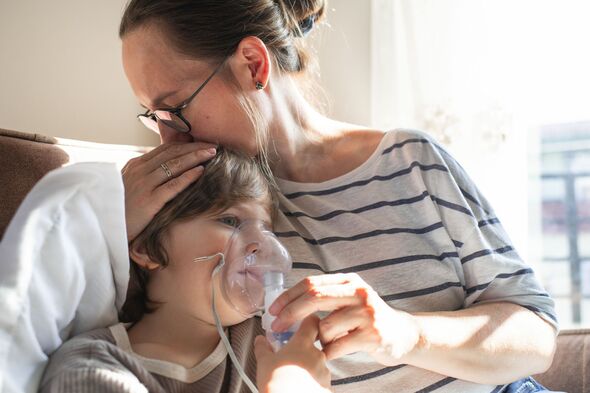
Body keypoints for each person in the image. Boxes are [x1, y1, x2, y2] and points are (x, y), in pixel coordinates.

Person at [118, 1, 558, 392]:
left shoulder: (413, 162)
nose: (166, 141)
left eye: (175, 109)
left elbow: (536, 338)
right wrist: (115, 217)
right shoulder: (193, 208)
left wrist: (406, 334)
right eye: (152, 116)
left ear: (253, 64)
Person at [39, 149, 331, 393]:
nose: (262, 245)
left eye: (266, 229)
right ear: (147, 248)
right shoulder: (92, 366)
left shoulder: (266, 347)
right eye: (230, 221)